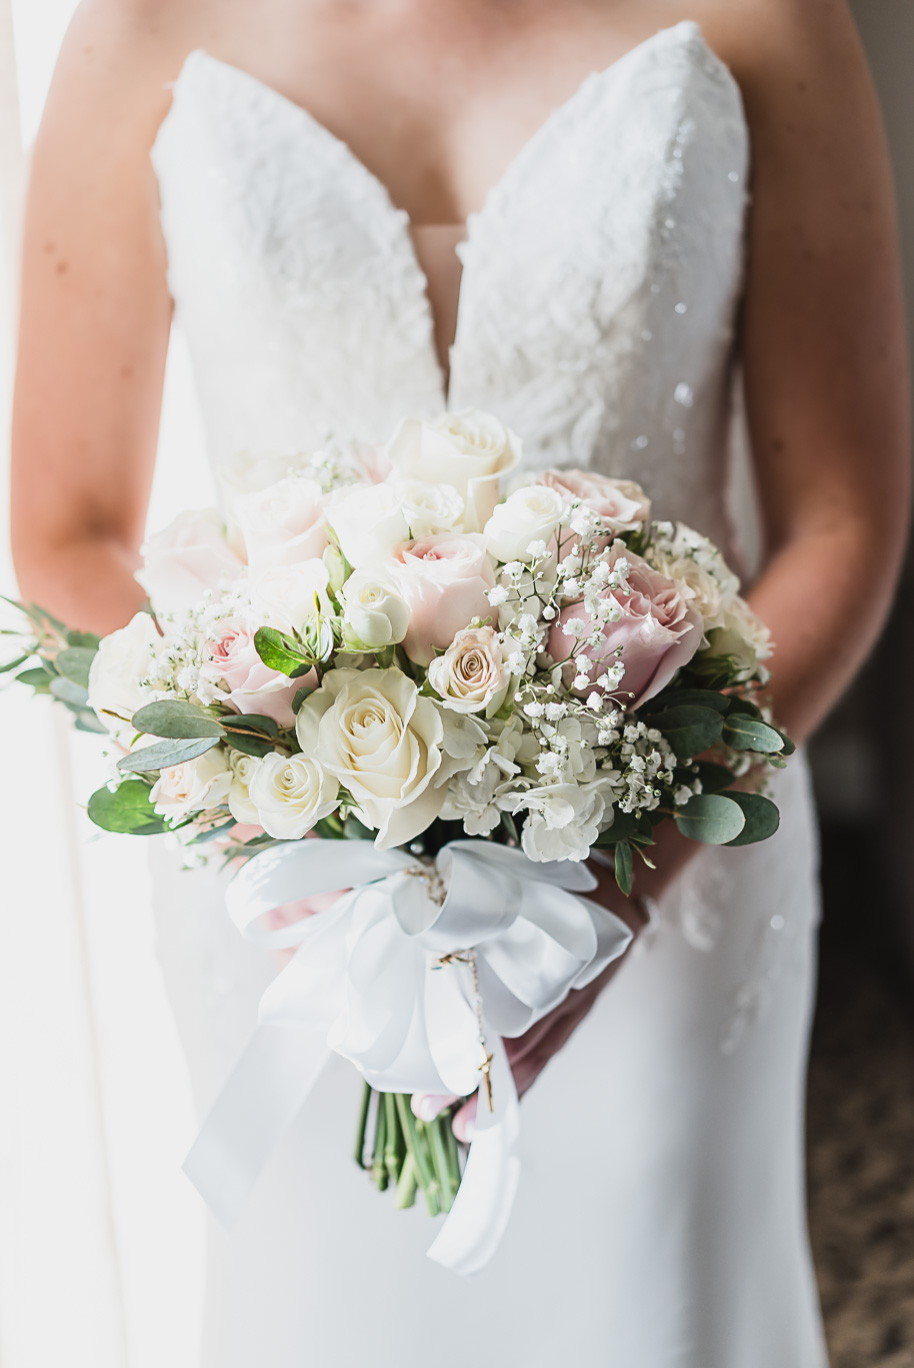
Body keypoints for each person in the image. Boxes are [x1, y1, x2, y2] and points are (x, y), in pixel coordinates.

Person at [10, 0, 910, 1363]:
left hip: (669, 862)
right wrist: (282, 803)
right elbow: (65, 524)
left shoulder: (770, 21)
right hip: (289, 901)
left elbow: (839, 515)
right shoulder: (138, 28)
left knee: (647, 1292)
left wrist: (618, 871)